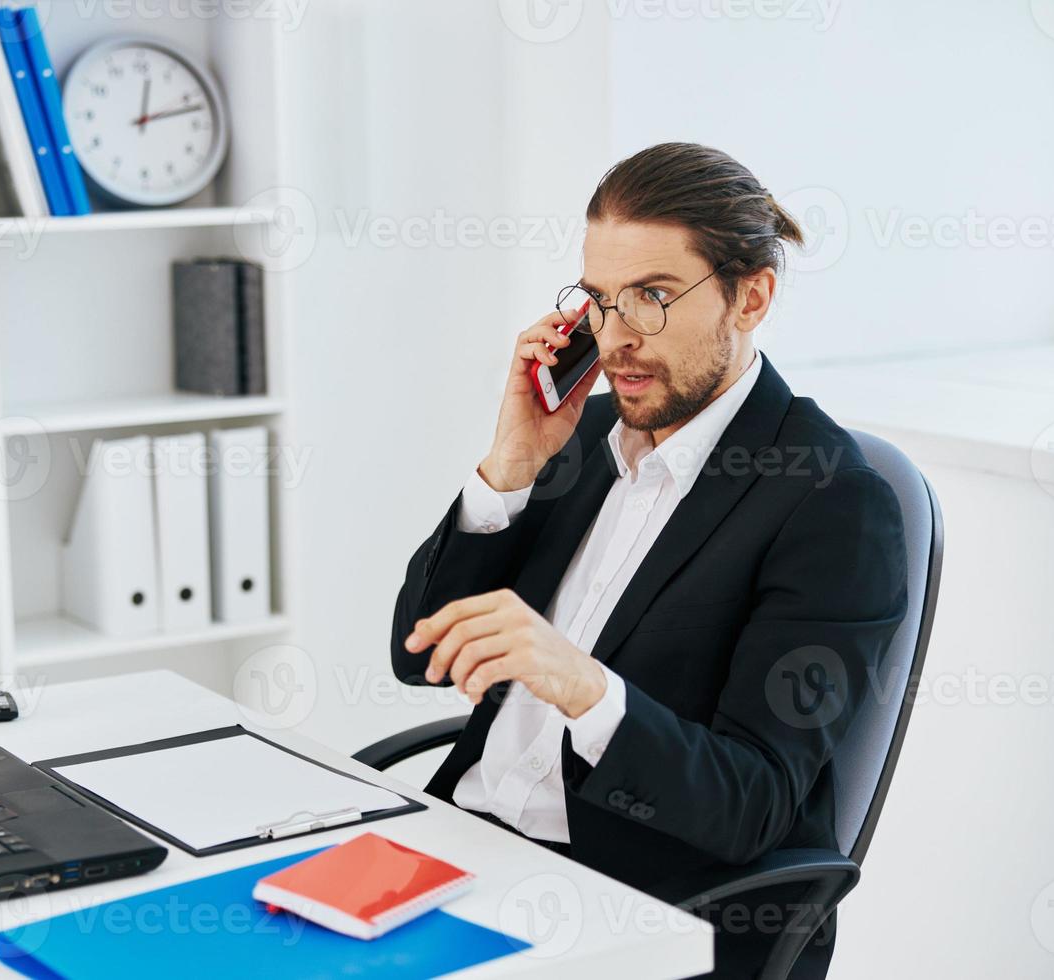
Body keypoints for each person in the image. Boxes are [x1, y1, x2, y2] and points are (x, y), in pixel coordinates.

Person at [389, 142, 908, 979]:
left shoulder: (831, 502)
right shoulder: (581, 438)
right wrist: (510, 465)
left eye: (654, 298)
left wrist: (583, 685)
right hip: (464, 858)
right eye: (599, 300)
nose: (616, 338)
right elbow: (417, 655)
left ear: (751, 297)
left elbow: (751, 804)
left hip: (630, 911)